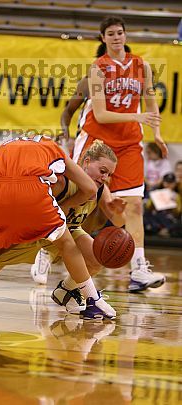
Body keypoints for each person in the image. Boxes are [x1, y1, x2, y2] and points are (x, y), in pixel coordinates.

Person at [0, 137, 120, 321]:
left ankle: (66, 291)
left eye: (109, 175)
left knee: (97, 256)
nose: (105, 178)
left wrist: (112, 213)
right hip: (31, 234)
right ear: (87, 162)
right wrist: (1, 247)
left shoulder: (99, 191)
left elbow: (88, 226)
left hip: (61, 233)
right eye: (102, 171)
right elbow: (23, 212)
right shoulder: (60, 179)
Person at [71, 15, 168, 293]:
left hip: (128, 144)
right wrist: (138, 115)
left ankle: (139, 270)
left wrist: (157, 134)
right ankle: (47, 251)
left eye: (120, 32)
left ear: (126, 35)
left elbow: (151, 105)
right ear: (103, 39)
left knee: (134, 206)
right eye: (111, 34)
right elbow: (100, 113)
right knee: (84, 200)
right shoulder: (97, 69)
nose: (116, 37)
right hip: (98, 141)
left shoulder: (142, 66)